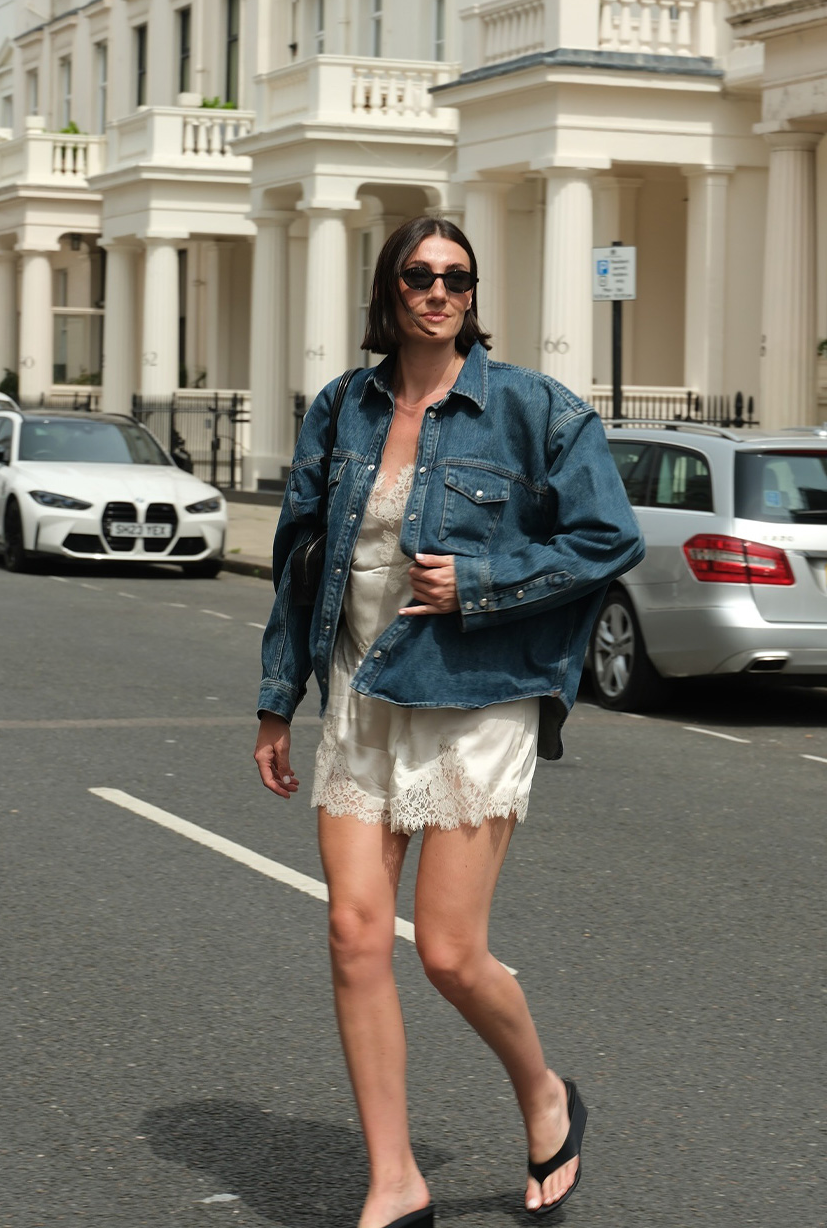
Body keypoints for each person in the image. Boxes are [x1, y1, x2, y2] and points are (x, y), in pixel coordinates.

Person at [254, 216, 645, 1228]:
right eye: (419, 276)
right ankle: (395, 1180)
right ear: (387, 292)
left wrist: (484, 579)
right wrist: (275, 698)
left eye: (456, 278)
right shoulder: (343, 407)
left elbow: (609, 535)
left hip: (472, 699)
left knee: (447, 952)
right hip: (361, 693)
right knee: (350, 932)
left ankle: (545, 1093)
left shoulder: (532, 409)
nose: (438, 292)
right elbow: (301, 557)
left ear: (473, 294)